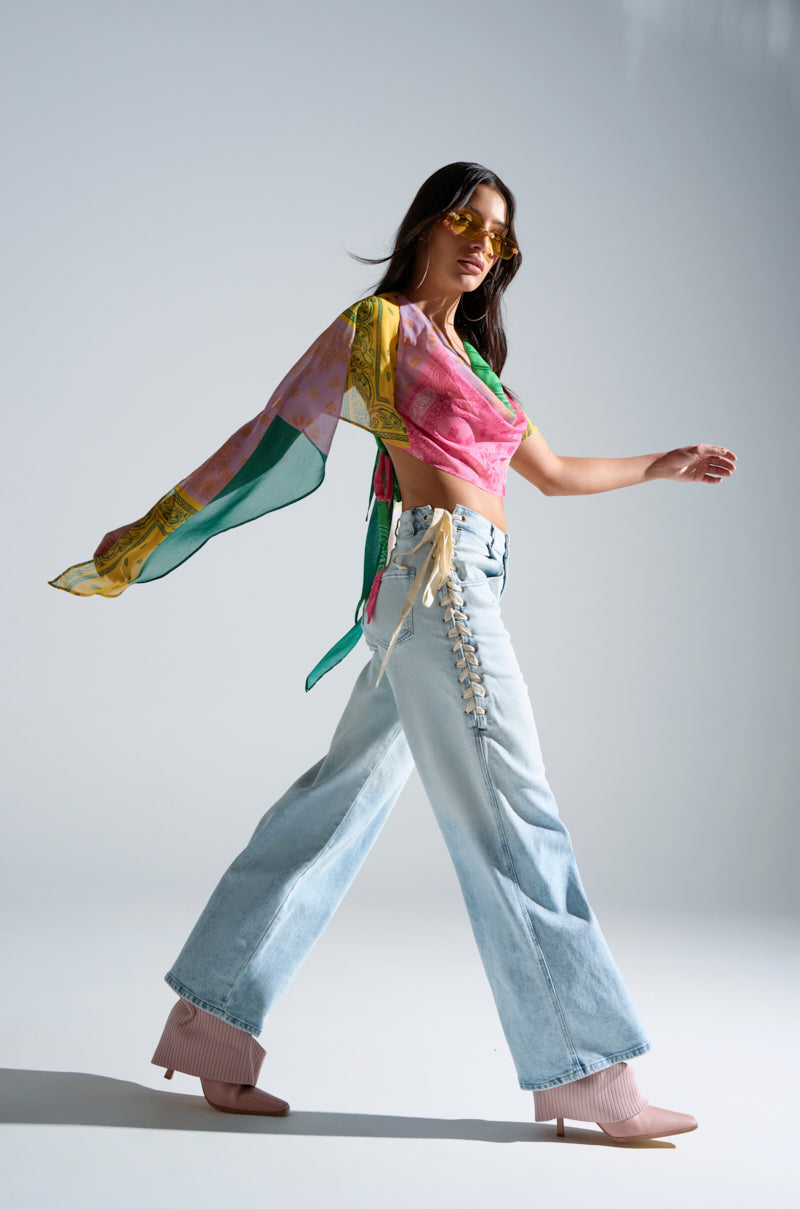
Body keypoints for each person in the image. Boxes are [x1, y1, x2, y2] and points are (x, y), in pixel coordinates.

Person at [52, 162, 736, 1141]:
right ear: (425, 224)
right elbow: (267, 433)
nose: (481, 244)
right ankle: (585, 1069)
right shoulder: (379, 330)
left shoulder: (480, 367)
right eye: (466, 220)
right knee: (515, 814)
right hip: (440, 587)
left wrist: (659, 465)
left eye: (499, 235)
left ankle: (211, 1026)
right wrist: (153, 529)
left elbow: (550, 472)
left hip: (447, 589)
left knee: (334, 804)